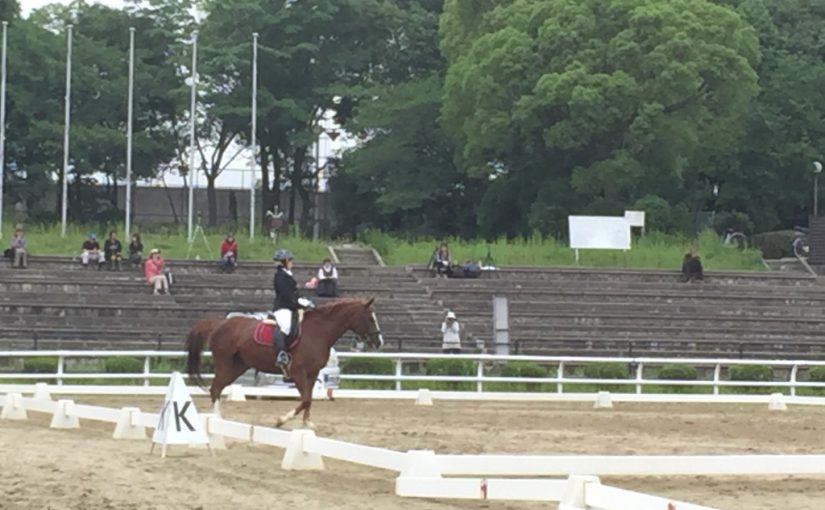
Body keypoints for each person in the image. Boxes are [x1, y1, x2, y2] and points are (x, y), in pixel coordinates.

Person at [271, 249, 315, 372]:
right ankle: (281, 354)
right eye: (290, 260)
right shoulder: (279, 277)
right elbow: (286, 295)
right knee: (286, 327)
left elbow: (294, 294)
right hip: (283, 308)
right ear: (284, 262)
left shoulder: (288, 275)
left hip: (291, 306)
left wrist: (303, 301)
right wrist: (298, 302)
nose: (292, 263)